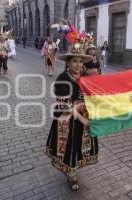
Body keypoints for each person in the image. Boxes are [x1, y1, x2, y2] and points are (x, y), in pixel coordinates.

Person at [45, 42, 98, 191]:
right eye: (74, 61)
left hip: (84, 117)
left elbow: (94, 95)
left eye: (80, 61)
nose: (78, 64)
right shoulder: (62, 78)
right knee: (70, 147)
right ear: (68, 62)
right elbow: (66, 105)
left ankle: (73, 169)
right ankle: (71, 174)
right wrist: (83, 119)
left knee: (79, 147)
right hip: (68, 119)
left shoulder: (87, 76)